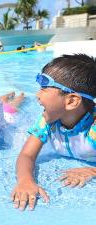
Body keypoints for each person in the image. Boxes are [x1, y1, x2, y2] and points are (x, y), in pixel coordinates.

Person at [11, 54, 96, 211]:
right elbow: (26, 155)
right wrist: (25, 180)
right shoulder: (48, 120)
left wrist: (93, 170)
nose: (37, 95)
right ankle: (16, 100)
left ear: (71, 101)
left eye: (44, 88)